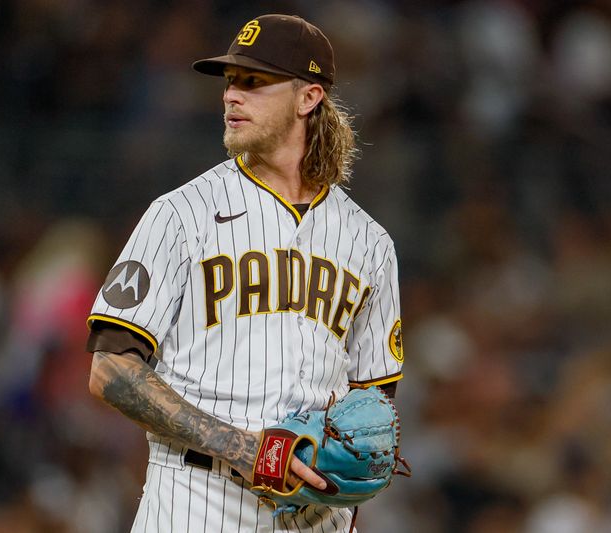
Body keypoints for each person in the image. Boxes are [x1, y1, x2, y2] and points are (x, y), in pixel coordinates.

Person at [86, 13, 404, 532]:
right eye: (231, 81)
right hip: (195, 498)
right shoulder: (180, 214)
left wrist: (354, 471)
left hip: (314, 512)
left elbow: (374, 407)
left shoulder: (369, 242)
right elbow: (109, 368)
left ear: (309, 97)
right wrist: (238, 446)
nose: (232, 95)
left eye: (254, 82)